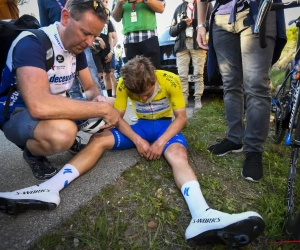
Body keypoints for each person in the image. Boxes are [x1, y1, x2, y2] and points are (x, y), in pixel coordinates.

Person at [0, 56, 265, 248]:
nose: (145, 99)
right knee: (98, 140)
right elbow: (117, 117)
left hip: (166, 128)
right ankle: (51, 187)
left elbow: (181, 118)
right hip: (140, 128)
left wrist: (160, 142)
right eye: (139, 97)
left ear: (154, 78)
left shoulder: (170, 79)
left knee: (177, 156)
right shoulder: (126, 86)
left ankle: (202, 213)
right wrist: (138, 140)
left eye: (148, 93)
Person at [0, 0, 120, 180]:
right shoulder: (32, 43)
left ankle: (70, 134)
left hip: (53, 108)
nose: (89, 43)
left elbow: (89, 87)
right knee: (64, 133)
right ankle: (32, 154)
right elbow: (39, 105)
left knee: (113, 102)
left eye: (94, 36)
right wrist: (99, 109)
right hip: (18, 113)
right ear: (65, 17)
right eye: (86, 33)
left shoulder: (75, 47)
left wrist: (98, 98)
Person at [196, 0, 286, 182]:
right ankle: (234, 139)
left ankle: (254, 151)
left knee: (256, 85)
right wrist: (201, 24)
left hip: (257, 9)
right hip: (221, 17)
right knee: (230, 84)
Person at [112, 0, 165, 122]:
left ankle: (159, 110)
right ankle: (141, 112)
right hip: (129, 39)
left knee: (154, 73)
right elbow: (116, 17)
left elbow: (161, 7)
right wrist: (119, 3)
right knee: (133, 77)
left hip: (149, 36)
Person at [170, 0, 212, 110]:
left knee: (198, 73)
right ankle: (184, 100)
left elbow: (213, 21)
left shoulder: (204, 3)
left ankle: (198, 99)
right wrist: (181, 25)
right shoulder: (179, 8)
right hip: (182, 45)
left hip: (198, 43)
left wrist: (198, 24)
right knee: (182, 75)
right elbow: (171, 31)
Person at [92, 0, 115, 97]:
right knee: (98, 74)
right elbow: (90, 33)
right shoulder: (93, 19)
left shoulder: (108, 23)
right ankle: (98, 96)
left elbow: (110, 38)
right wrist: (98, 38)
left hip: (106, 51)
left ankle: (109, 97)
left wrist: (111, 51)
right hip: (96, 51)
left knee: (107, 75)